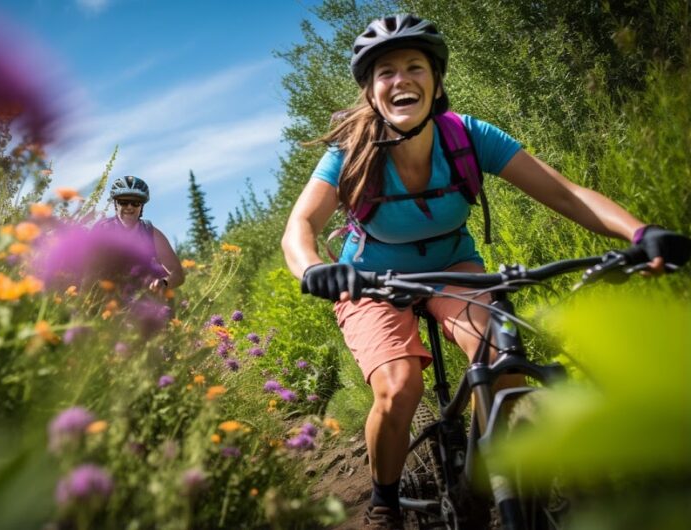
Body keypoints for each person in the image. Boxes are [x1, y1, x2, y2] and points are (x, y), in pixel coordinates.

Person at [281, 14, 689, 530]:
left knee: (502, 364)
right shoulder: (351, 152)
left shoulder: (468, 137)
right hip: (370, 281)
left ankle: (488, 477)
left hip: (455, 270)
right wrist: (315, 268)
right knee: (399, 385)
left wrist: (639, 233)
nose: (401, 79)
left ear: (436, 80)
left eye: (414, 66)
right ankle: (384, 501)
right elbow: (300, 226)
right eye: (386, 72)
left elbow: (565, 194)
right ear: (370, 91)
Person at [99, 175, 184, 292]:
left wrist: (164, 283)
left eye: (135, 203)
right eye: (124, 202)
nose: (129, 207)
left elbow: (177, 273)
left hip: (143, 295)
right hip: (106, 296)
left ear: (141, 206)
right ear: (115, 204)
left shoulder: (150, 232)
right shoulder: (102, 230)